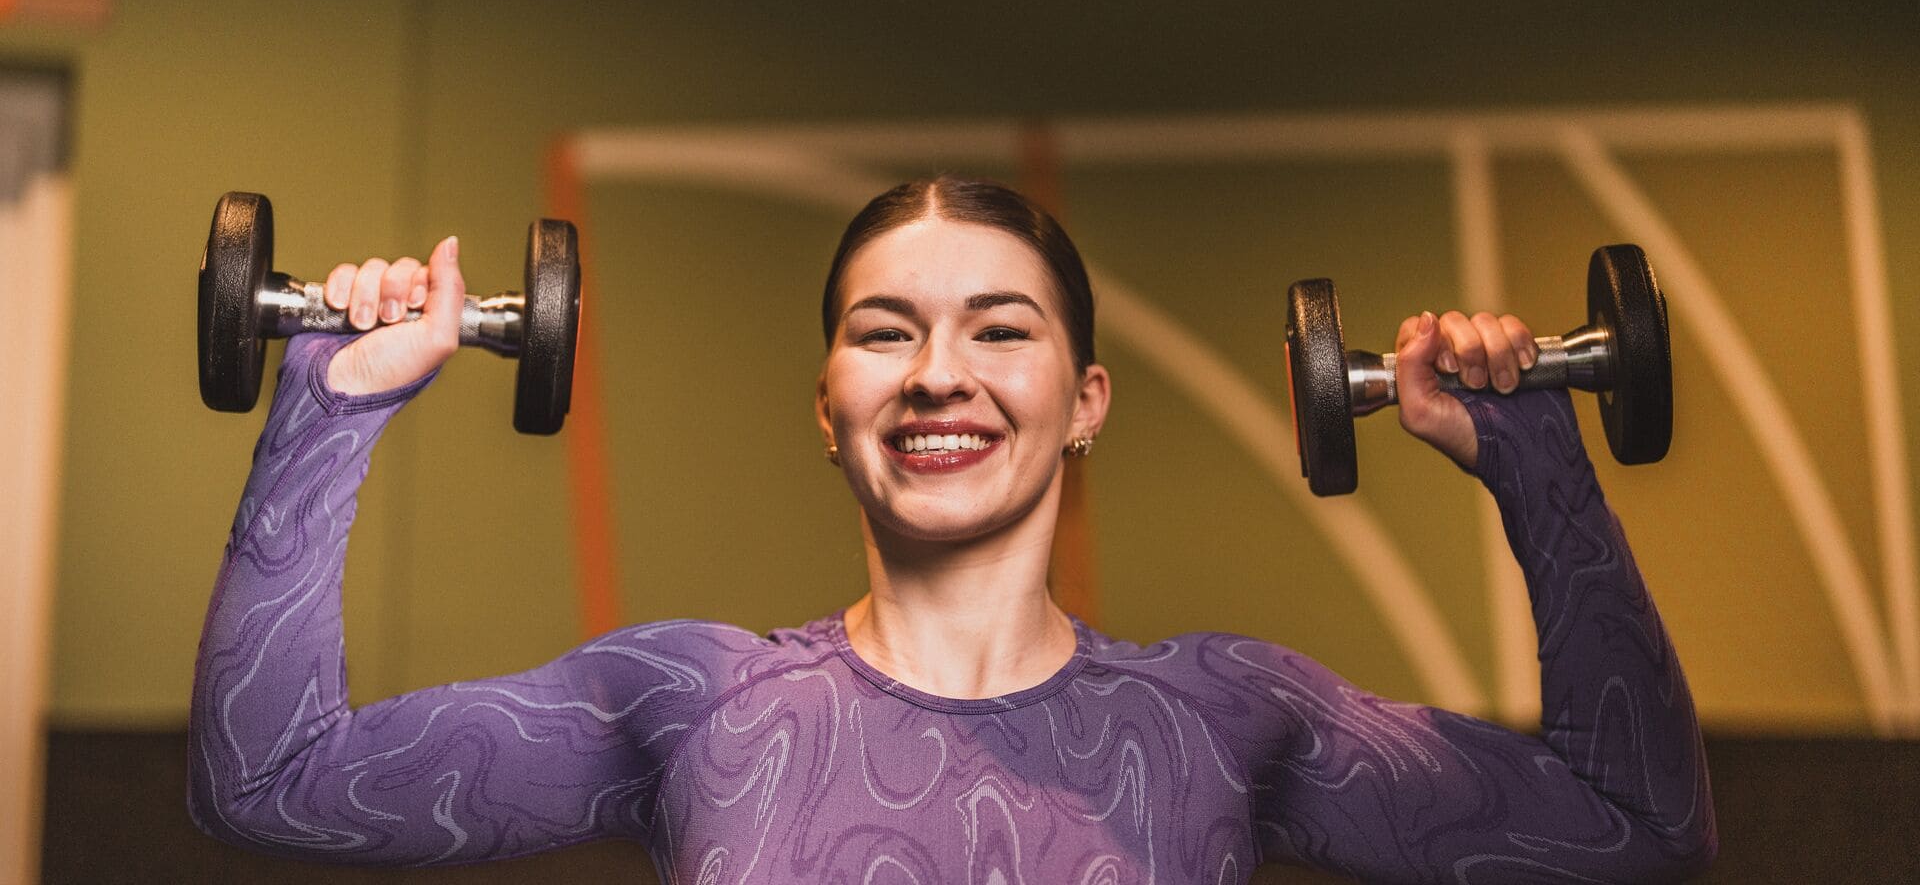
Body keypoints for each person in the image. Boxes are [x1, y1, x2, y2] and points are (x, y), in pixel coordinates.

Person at [189, 177, 1717, 883]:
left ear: (1086, 400)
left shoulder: (1222, 718)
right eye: (884, 332)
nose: (937, 374)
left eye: (1000, 330)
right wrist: (331, 405)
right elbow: (271, 788)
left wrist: (1538, 465)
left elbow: (1641, 835)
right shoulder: (696, 704)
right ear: (828, 403)